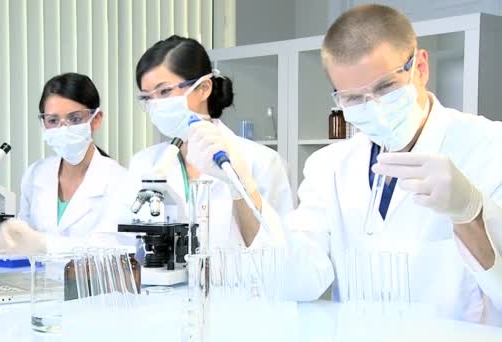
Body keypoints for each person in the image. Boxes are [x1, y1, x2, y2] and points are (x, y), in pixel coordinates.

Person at [271, 4, 502, 324]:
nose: (374, 108)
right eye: (352, 98)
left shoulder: (492, 148)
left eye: (386, 87)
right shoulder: (327, 166)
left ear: (420, 67)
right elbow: (303, 280)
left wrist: (471, 215)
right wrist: (247, 194)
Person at [130, 35, 293, 248]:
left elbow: (278, 250)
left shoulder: (261, 160)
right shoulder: (144, 163)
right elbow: (129, 248)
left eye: (165, 91)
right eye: (146, 98)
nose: (156, 104)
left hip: (239, 281)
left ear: (203, 88)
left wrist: (241, 188)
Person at [0, 73, 137, 255]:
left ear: (96, 119)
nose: (63, 128)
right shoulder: (35, 174)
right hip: (40, 281)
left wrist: (46, 245)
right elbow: (24, 238)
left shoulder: (121, 180)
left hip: (89, 283)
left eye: (74, 119)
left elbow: (115, 249)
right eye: (53, 120)